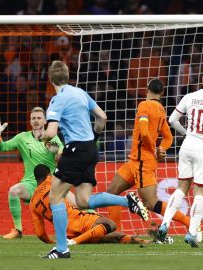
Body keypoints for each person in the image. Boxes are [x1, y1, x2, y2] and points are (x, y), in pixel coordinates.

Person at [38, 60, 147, 259]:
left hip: (75, 149)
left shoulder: (57, 100)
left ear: (51, 79)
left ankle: (62, 249)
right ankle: (126, 201)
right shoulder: (80, 92)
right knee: (83, 200)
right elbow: (102, 117)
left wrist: (41, 135)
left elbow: (51, 132)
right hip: (91, 149)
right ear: (68, 75)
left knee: (55, 196)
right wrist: (94, 137)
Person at [107, 78, 191, 235]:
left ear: (147, 89)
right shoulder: (160, 109)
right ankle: (116, 232)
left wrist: (153, 150)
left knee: (151, 203)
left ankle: (189, 223)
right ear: (162, 93)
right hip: (134, 161)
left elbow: (144, 133)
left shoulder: (144, 106)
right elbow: (168, 138)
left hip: (143, 163)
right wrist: (161, 149)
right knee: (111, 193)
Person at [157, 66, 203, 247]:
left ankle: (165, 224)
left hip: (187, 146)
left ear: (202, 77)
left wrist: (187, 133)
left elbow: (172, 120)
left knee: (181, 187)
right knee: (200, 191)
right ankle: (192, 232)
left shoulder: (189, 97)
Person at [0, 107, 63, 239]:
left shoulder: (50, 139)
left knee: (61, 211)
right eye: (33, 118)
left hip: (49, 185)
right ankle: (18, 230)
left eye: (39, 118)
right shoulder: (22, 138)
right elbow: (2, 148)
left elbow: (60, 153)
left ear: (45, 121)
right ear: (30, 121)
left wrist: (57, 153)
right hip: (30, 184)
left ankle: (70, 230)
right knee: (13, 191)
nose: (36, 121)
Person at [30, 164, 149, 245]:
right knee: (110, 224)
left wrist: (51, 242)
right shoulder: (52, 181)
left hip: (68, 232)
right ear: (48, 174)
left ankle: (145, 242)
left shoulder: (33, 202)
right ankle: (126, 201)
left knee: (114, 236)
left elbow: (40, 234)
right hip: (79, 219)